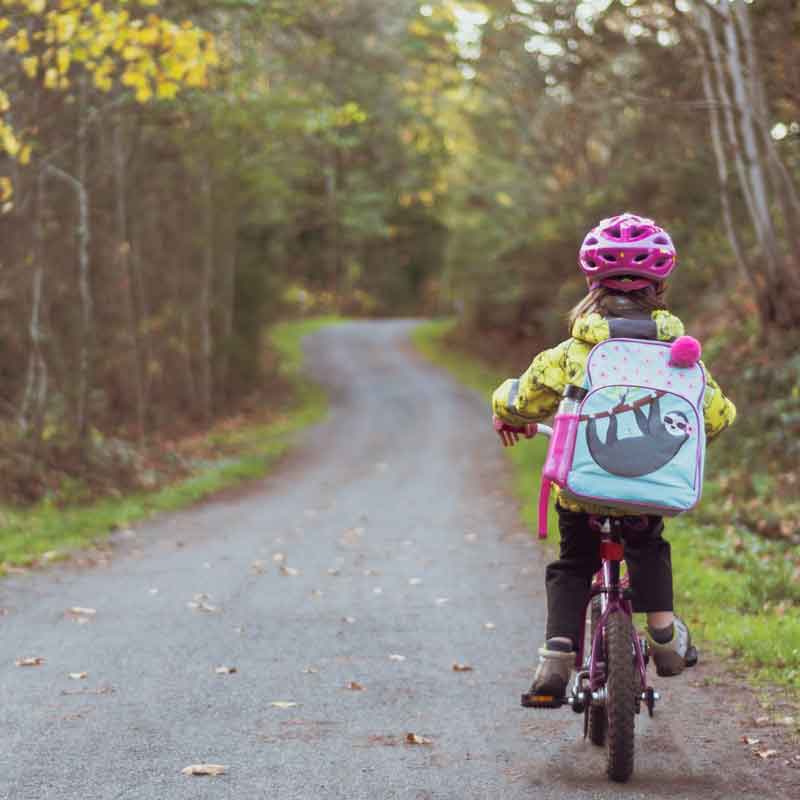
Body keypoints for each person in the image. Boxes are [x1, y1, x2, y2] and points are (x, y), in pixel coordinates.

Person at [491, 213, 736, 704]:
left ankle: (557, 657)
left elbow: (526, 397)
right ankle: (664, 635)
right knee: (648, 546)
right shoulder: (678, 354)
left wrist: (504, 406)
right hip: (648, 493)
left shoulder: (574, 353)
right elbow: (716, 415)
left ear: (591, 282)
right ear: (660, 285)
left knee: (573, 562)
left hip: (583, 493)